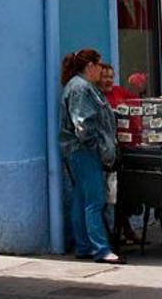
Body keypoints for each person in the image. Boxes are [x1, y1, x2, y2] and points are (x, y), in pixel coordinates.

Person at [58, 48, 120, 264]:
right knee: (95, 201)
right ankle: (101, 249)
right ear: (90, 66)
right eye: (99, 65)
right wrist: (99, 146)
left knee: (80, 198)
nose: (102, 71)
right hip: (84, 151)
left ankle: (83, 245)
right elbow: (83, 124)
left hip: (78, 151)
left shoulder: (81, 87)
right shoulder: (81, 88)